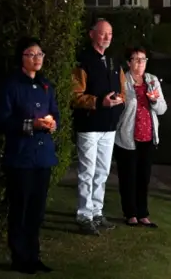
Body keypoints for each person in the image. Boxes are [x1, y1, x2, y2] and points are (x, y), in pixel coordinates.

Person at [0, 37, 59, 274]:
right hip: (21, 158)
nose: (37, 59)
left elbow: (56, 114)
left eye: (40, 54)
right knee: (20, 208)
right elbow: (2, 120)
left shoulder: (46, 85)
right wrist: (30, 125)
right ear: (21, 58)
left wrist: (52, 125)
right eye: (31, 54)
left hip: (42, 157)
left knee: (36, 210)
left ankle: (34, 256)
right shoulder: (12, 86)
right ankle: (19, 257)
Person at [72, 19, 126, 235]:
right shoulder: (83, 62)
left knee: (102, 171)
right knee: (88, 171)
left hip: (109, 125)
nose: (107, 37)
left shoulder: (114, 61)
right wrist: (98, 102)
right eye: (103, 33)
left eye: (110, 34)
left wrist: (120, 100)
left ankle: (97, 210)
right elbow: (75, 95)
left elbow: (123, 89)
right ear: (92, 34)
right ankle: (84, 215)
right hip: (89, 125)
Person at [115, 46, 167, 227]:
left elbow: (162, 109)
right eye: (136, 59)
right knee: (128, 176)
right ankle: (130, 214)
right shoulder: (122, 79)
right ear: (129, 62)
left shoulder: (152, 80)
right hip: (127, 135)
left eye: (143, 59)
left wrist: (153, 100)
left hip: (148, 136)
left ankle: (143, 213)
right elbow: (118, 106)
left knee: (144, 177)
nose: (140, 63)